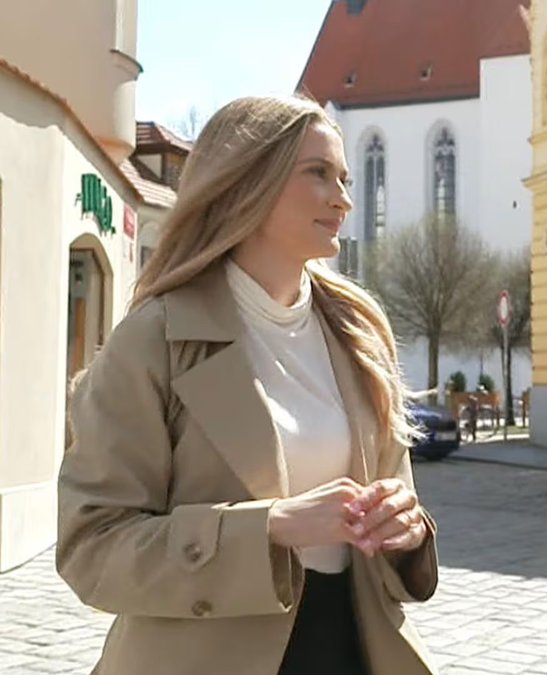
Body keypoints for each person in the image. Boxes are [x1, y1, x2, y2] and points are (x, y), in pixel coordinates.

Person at [57, 96, 440, 675]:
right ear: (247, 180)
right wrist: (267, 528)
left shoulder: (360, 334)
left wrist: (405, 531)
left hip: (353, 649)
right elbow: (92, 547)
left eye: (343, 177)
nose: (343, 197)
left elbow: (392, 508)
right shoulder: (155, 338)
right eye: (317, 173)